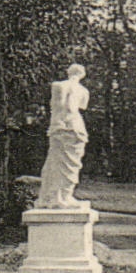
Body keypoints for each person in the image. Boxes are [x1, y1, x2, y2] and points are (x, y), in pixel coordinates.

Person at [37, 64, 90, 208]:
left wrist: (54, 127)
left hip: (61, 126)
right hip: (77, 126)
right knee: (72, 163)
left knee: (56, 161)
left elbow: (57, 108)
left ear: (68, 72)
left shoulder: (58, 86)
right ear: (82, 75)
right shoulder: (84, 91)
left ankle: (58, 196)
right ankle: (63, 195)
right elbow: (80, 108)